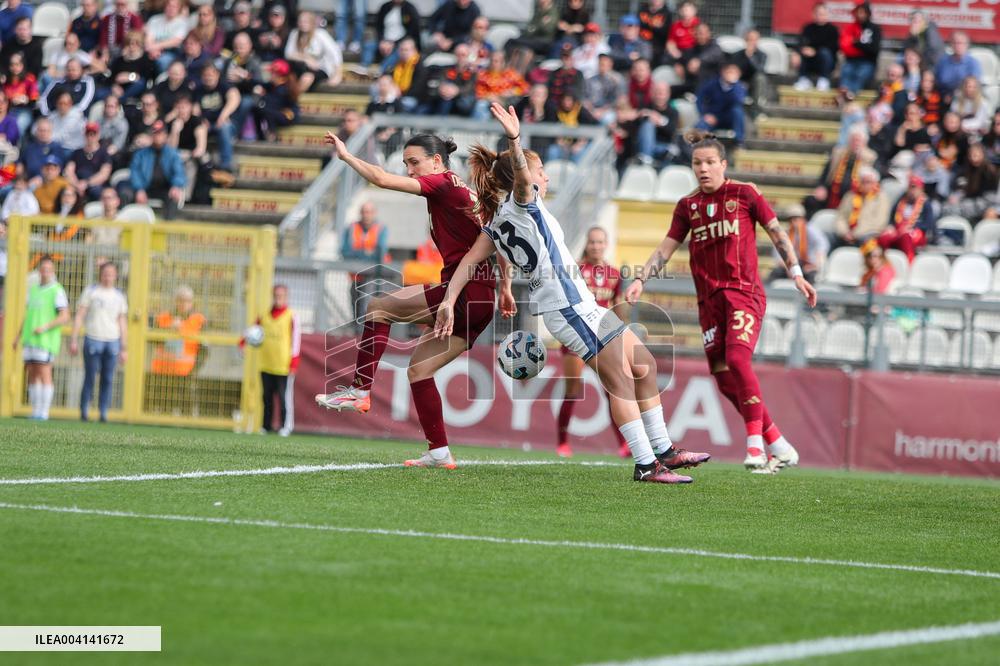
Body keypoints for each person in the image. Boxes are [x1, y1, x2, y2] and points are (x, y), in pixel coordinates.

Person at [445, 102, 710, 483]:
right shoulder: (524, 203)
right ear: (527, 177)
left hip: (580, 304)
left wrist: (460, 298)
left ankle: (664, 449)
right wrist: (516, 140)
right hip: (566, 306)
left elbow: (471, 261)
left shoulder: (498, 220)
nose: (546, 177)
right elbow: (520, 178)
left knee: (644, 366)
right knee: (620, 379)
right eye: (541, 171)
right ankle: (646, 464)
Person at [315, 132, 514, 470]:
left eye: (414, 162)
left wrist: (347, 156)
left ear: (437, 162)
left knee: (378, 307)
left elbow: (380, 178)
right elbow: (497, 243)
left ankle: (360, 391)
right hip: (483, 300)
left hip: (464, 294)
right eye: (406, 163)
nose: (409, 170)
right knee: (420, 371)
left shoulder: (442, 184)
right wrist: (506, 288)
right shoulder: (467, 192)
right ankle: (439, 451)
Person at [627, 130, 817, 474]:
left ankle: (755, 446)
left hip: (743, 293)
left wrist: (796, 272)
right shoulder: (687, 206)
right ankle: (778, 443)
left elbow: (777, 232)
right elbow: (665, 248)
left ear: (723, 165)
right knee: (723, 378)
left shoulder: (745, 194)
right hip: (708, 303)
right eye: (697, 163)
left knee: (737, 359)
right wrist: (641, 278)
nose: (703, 169)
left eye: (710, 162)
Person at [552, 226, 630, 458]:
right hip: (576, 338)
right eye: (592, 242)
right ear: (587, 244)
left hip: (603, 339)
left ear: (606, 245)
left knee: (612, 391)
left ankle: (623, 444)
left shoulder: (615, 275)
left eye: (600, 242)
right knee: (573, 391)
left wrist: (621, 337)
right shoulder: (575, 269)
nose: (596, 246)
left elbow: (617, 309)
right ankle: (562, 443)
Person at [13, 255, 70, 420]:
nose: (45, 272)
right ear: (39, 271)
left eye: (48, 270)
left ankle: (44, 412)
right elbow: (28, 315)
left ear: (53, 271)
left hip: (46, 340)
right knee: (31, 372)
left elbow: (64, 316)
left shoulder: (57, 290)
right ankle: (35, 410)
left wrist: (45, 327)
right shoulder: (34, 289)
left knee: (44, 372)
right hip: (30, 338)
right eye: (43, 269)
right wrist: (18, 336)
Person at [69, 261, 127, 422]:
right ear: (100, 274)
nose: (108, 277)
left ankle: (103, 412)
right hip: (93, 339)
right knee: (90, 376)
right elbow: (80, 315)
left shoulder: (119, 295)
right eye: (105, 273)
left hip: (112, 341)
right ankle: (84, 410)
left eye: (111, 273)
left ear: (115, 275)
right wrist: (74, 338)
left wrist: (124, 347)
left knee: (108, 378)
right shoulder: (91, 291)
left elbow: (122, 321)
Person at [253, 284, 301, 436]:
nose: (278, 298)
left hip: (283, 365)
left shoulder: (291, 315)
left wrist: (294, 361)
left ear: (286, 297)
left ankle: (285, 426)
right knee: (266, 397)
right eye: (276, 295)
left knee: (283, 397)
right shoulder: (264, 315)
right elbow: (254, 331)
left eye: (281, 296)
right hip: (266, 363)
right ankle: (265, 426)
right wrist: (243, 342)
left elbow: (296, 339)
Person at [149, 285, 205, 415]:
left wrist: (195, 369)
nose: (183, 303)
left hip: (186, 372)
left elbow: (205, 349)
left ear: (192, 302)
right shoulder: (163, 318)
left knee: (186, 408)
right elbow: (151, 338)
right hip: (163, 371)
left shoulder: (199, 320)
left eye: (187, 300)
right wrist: (169, 328)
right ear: (175, 300)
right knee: (161, 406)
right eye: (180, 300)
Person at [124, 120, 186, 220]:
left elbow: (179, 172)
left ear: (165, 135)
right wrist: (139, 189)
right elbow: (134, 172)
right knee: (126, 193)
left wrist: (176, 185)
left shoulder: (172, 154)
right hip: (146, 187)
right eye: (155, 133)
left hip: (165, 188)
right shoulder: (141, 154)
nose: (157, 136)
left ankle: (167, 228)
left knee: (174, 197)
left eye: (160, 133)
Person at [878, 174, 936, 262]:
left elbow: (929, 223)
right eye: (910, 187)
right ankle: (883, 263)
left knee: (906, 236)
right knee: (884, 237)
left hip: (916, 232)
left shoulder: (926, 204)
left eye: (915, 188)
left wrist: (913, 226)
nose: (912, 191)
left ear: (921, 189)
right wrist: (890, 226)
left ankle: (908, 263)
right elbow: (892, 216)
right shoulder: (901, 200)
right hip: (899, 229)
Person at [767, 204, 827, 284]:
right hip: (791, 264)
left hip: (807, 265)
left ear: (803, 219)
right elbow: (777, 251)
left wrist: (816, 263)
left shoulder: (811, 230)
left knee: (812, 276)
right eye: (791, 219)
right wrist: (788, 267)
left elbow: (822, 245)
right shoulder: (786, 233)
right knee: (775, 273)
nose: (794, 221)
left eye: (797, 218)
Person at [285, 10, 343, 91]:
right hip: (301, 67)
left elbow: (335, 53)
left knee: (307, 78)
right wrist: (306, 59)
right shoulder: (294, 33)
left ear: (312, 22)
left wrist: (337, 74)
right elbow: (288, 53)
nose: (303, 23)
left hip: (320, 68)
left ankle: (292, 101)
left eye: (306, 21)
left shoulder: (321, 34)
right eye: (301, 21)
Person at [833, 167, 889, 248]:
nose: (865, 185)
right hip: (846, 235)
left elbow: (879, 222)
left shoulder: (881, 198)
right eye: (863, 182)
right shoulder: (850, 196)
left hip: (868, 235)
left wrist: (855, 234)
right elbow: (841, 217)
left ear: (875, 183)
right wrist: (844, 232)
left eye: (868, 182)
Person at [695, 61, 746, 145]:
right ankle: (698, 145)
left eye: (735, 73)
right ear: (723, 72)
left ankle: (739, 142)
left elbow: (738, 101)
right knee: (701, 125)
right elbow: (699, 99)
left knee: (737, 111)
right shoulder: (712, 84)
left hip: (729, 118)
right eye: (730, 72)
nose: (732, 75)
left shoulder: (739, 87)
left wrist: (733, 86)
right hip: (713, 116)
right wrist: (704, 114)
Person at [838, 2, 880, 96]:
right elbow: (845, 44)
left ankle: (850, 94)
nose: (860, 15)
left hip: (868, 62)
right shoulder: (852, 27)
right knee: (846, 70)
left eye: (863, 12)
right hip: (851, 60)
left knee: (861, 73)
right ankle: (843, 92)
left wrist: (857, 44)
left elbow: (874, 49)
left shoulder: (874, 28)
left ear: (868, 14)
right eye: (858, 12)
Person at [795, 2, 838, 91]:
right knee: (801, 53)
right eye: (818, 14)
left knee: (824, 52)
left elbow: (834, 47)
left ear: (827, 14)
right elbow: (800, 43)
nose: (820, 16)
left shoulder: (832, 30)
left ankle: (824, 80)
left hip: (826, 63)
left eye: (823, 14)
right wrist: (798, 52)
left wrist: (815, 51)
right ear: (814, 14)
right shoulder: (808, 28)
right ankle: (803, 79)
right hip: (809, 61)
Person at [65, 122, 112, 201]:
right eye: (88, 134)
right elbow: (69, 171)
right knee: (67, 191)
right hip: (77, 183)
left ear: (98, 135)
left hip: (95, 184)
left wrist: (86, 183)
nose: (90, 137)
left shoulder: (104, 153)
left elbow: (104, 174)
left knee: (96, 191)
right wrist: (77, 184)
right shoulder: (77, 152)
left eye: (93, 134)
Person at [369, 0, 421, 69]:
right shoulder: (385, 7)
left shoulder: (410, 8)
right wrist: (381, 41)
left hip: (401, 41)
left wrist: (394, 43)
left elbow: (412, 31)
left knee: (400, 51)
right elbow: (379, 27)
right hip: (385, 40)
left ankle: (381, 71)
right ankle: (365, 67)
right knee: (369, 46)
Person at [934, 31, 981, 100]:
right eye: (955, 43)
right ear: (951, 44)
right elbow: (937, 82)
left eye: (961, 43)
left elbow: (973, 86)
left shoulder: (973, 63)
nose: (958, 46)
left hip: (965, 99)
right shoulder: (943, 61)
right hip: (943, 97)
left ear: (967, 45)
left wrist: (953, 96)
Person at [145, 0, 188, 72]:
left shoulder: (183, 23)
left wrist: (156, 47)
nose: (171, 8)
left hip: (172, 52)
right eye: (169, 5)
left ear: (179, 8)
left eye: (174, 6)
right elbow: (149, 38)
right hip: (151, 49)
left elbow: (176, 41)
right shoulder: (155, 19)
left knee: (163, 61)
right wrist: (152, 50)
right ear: (164, 6)